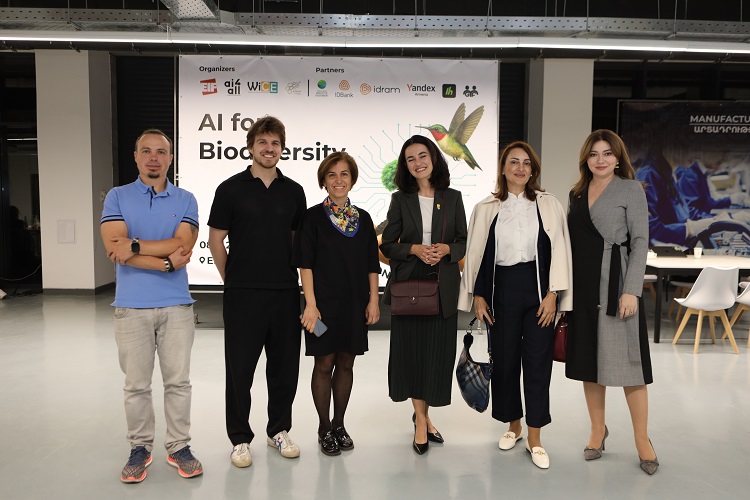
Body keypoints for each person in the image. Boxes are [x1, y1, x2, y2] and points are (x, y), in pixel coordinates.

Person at [457, 141, 572, 470]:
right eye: (513, 162)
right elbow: (478, 254)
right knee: (505, 362)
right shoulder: (486, 208)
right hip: (500, 290)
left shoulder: (548, 204)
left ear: (533, 170)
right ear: (503, 168)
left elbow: (560, 251)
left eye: (526, 163)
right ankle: (514, 425)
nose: (520, 168)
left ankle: (535, 437)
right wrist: (479, 295)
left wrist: (553, 294)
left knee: (537, 365)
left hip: (539, 292)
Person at [100, 129, 202, 483]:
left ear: (170, 158)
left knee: (178, 383)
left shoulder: (186, 199)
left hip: (177, 306)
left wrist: (135, 245)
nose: (154, 158)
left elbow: (183, 244)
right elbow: (114, 249)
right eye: (146, 151)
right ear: (136, 156)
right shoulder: (117, 196)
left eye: (161, 152)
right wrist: (165, 263)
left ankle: (179, 447)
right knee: (136, 386)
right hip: (131, 307)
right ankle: (140, 448)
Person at [208, 116, 307, 467]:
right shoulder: (230, 189)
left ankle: (278, 430)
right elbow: (216, 240)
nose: (269, 148)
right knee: (240, 371)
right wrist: (232, 279)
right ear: (250, 147)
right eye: (262, 142)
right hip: (242, 296)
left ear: (282, 149)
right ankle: (239, 438)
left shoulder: (294, 191)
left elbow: (297, 244)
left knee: (284, 369)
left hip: (284, 292)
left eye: (275, 143)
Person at [566, 129, 658, 475]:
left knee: (631, 366)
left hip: (617, 286)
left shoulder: (631, 189)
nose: (600, 160)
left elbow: (640, 240)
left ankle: (642, 440)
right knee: (590, 364)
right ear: (586, 159)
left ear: (618, 158)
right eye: (594, 154)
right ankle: (597, 431)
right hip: (583, 288)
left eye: (607, 153)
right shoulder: (576, 193)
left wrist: (631, 290)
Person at [380, 134, 467, 455]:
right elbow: (388, 246)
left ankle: (424, 415)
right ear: (405, 166)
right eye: (410, 159)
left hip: (443, 288)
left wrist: (446, 249)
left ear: (433, 158)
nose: (417, 163)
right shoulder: (400, 199)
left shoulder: (453, 198)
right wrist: (414, 249)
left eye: (422, 155)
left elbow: (463, 242)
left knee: (435, 358)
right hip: (411, 289)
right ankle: (420, 421)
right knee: (414, 357)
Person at [291, 152, 381, 456]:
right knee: (323, 364)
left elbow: (372, 264)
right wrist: (310, 305)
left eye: (344, 174)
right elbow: (305, 264)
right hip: (321, 308)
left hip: (355, 305)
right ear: (323, 181)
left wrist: (374, 300)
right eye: (332, 175)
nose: (338, 180)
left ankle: (339, 425)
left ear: (352, 180)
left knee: (346, 363)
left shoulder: (363, 219)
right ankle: (324, 427)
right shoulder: (312, 217)